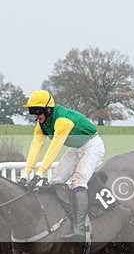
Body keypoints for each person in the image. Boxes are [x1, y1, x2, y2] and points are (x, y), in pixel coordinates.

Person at [20, 89, 105, 242]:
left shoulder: (62, 121)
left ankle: (80, 229)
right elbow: (35, 147)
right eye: (32, 111)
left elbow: (54, 148)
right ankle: (71, 217)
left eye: (37, 111)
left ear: (49, 109)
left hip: (92, 146)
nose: (35, 115)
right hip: (75, 149)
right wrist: (25, 175)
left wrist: (39, 174)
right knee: (56, 181)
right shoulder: (41, 124)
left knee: (78, 182)